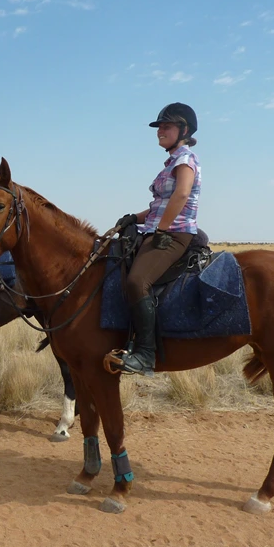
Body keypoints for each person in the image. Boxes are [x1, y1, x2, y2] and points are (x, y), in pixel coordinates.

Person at [107, 102, 201, 376]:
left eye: (167, 126)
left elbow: (181, 195)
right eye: (159, 126)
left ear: (183, 130)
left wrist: (161, 229)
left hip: (174, 233)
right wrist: (132, 218)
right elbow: (161, 203)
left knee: (138, 281)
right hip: (157, 229)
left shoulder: (185, 160)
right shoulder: (171, 161)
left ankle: (146, 354)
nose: (160, 131)